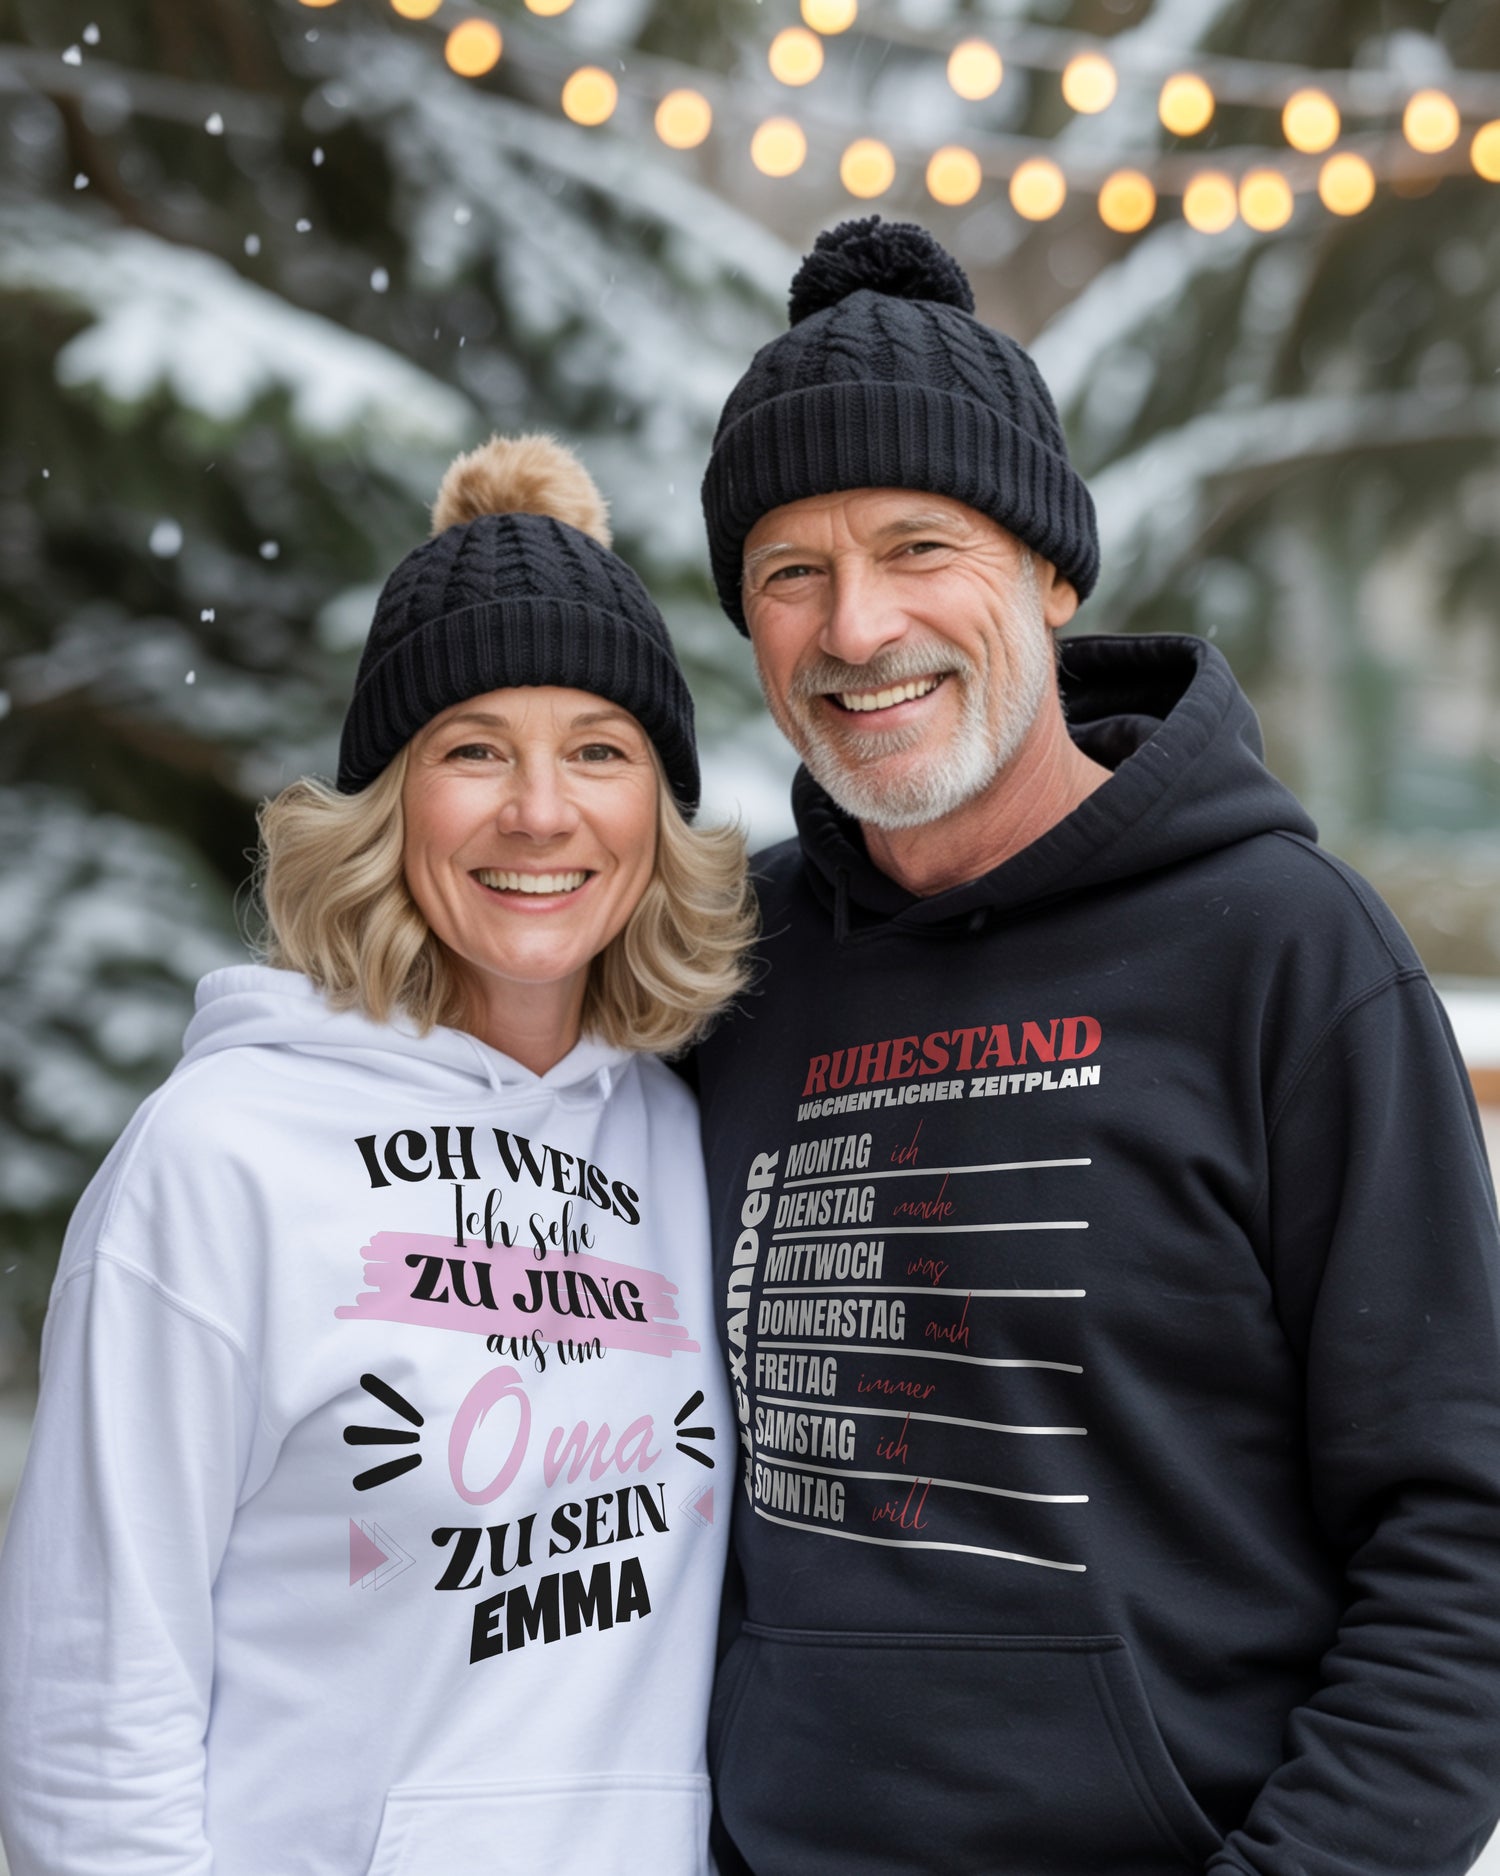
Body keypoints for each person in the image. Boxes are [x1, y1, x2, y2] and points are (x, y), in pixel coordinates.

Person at [691, 216, 1500, 1876]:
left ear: (1051, 576)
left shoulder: (1282, 953)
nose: (857, 627)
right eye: (791, 571)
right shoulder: (722, 970)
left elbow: (1463, 1534)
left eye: (920, 546)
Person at [0, 435, 754, 1875]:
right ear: (389, 801)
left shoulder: (679, 1133)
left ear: (656, 817)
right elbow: (91, 1717)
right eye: (474, 750)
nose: (541, 811)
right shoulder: (222, 1159)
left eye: (599, 750)